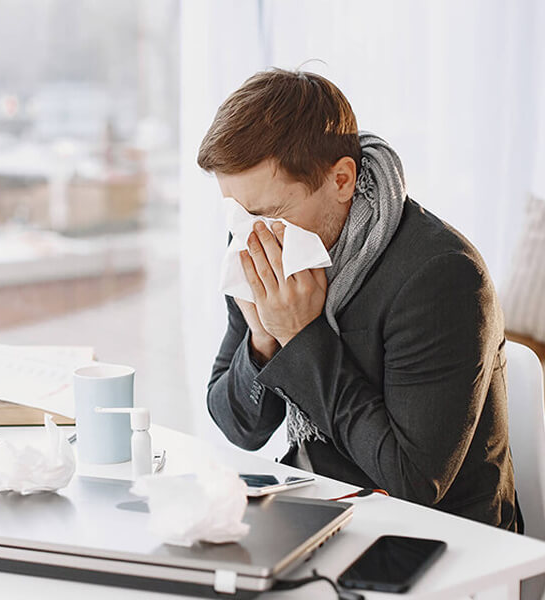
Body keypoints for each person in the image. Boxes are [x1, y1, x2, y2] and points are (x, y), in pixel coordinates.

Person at [199, 68, 520, 531]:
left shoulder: (442, 276)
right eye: (236, 212)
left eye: (268, 212)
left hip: (440, 539)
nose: (249, 233)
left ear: (342, 180)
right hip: (315, 508)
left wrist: (301, 337)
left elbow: (413, 483)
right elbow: (240, 428)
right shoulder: (259, 239)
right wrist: (262, 340)